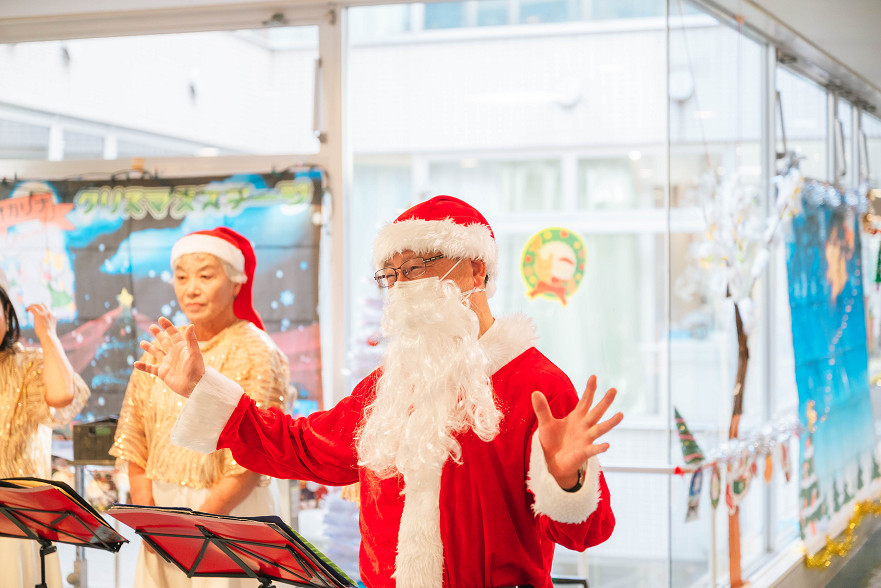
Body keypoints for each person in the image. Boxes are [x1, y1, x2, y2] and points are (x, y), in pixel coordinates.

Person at [139, 197, 623, 588]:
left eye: (418, 267)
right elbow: (302, 446)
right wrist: (201, 387)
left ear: (478, 272)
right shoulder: (389, 387)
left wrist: (567, 479)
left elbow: (586, 533)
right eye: (391, 274)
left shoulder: (537, 385)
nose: (402, 286)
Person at [109, 227, 290, 588]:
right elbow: (133, 432)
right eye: (181, 277)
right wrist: (150, 516)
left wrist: (205, 520)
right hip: (163, 509)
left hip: (231, 510)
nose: (191, 288)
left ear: (237, 281)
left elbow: (257, 446)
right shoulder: (166, 343)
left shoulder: (258, 349)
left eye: (206, 276)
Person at [0, 267, 90, 587]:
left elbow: (63, 395)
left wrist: (48, 336)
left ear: (7, 312)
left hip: (19, 520)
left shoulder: (29, 362)